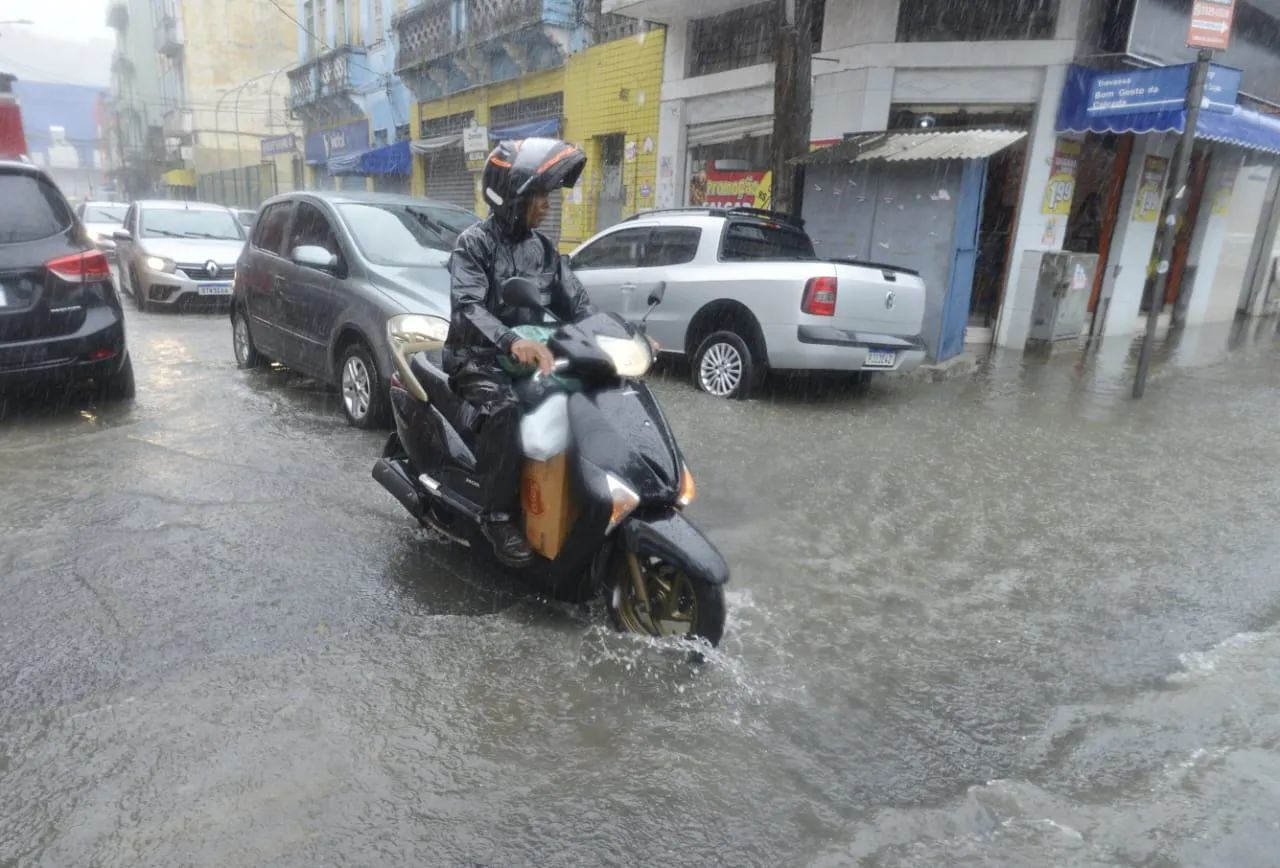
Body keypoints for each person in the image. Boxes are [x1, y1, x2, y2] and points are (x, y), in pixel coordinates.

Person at [445, 137, 595, 567]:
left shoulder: (543, 249)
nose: (546, 205)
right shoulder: (473, 245)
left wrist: (619, 335)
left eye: (548, 195)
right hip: (476, 358)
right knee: (506, 408)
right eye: (538, 196)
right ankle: (494, 515)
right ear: (511, 197)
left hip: (532, 352)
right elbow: (469, 307)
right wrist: (510, 340)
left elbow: (579, 303)